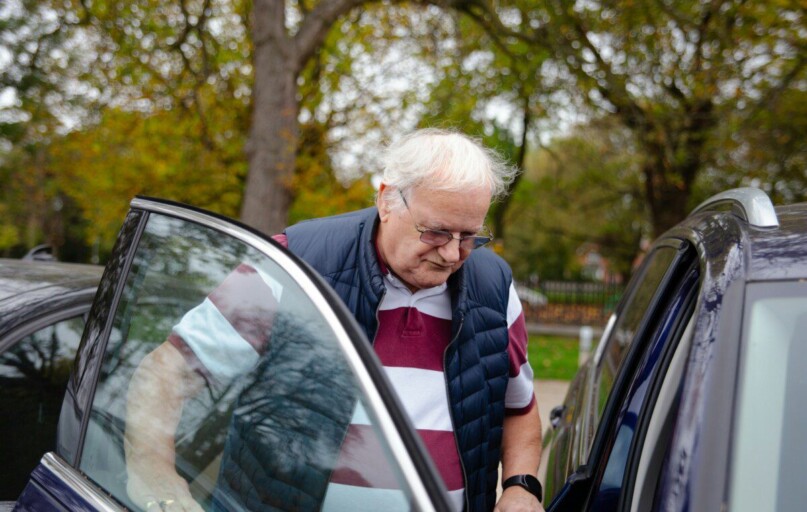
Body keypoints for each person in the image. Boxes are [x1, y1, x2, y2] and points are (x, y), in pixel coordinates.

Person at [124, 128, 544, 512]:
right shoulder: (295, 262)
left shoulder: (494, 286)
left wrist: (520, 486)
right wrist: (155, 477)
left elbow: (518, 408)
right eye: (435, 232)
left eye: (470, 236)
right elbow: (168, 372)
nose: (452, 254)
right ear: (386, 200)